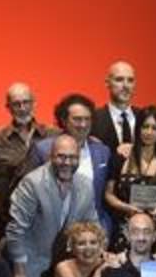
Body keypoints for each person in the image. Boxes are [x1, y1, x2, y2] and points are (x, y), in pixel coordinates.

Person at [7, 134, 99, 277]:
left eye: (73, 158)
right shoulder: (32, 183)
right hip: (31, 266)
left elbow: (92, 226)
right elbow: (16, 231)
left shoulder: (86, 185)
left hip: (67, 267)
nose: (67, 163)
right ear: (50, 156)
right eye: (61, 157)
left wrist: (102, 253)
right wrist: (19, 272)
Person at [25, 94, 113, 240]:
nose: (83, 124)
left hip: (94, 236)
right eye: (77, 119)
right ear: (64, 121)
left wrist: (104, 231)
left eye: (87, 119)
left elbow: (104, 199)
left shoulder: (102, 151)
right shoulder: (43, 149)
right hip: (51, 235)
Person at [0, 83, 57, 215]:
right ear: (8, 108)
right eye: (16, 104)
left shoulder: (54, 135)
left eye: (26, 102)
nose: (22, 108)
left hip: (50, 208)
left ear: (34, 103)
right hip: (12, 211)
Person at [103, 106, 156, 240]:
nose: (149, 132)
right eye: (145, 126)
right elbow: (108, 194)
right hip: (124, 228)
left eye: (154, 128)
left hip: (155, 231)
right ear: (138, 128)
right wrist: (127, 208)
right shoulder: (121, 157)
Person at [90, 61, 137, 155]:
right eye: (119, 79)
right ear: (107, 83)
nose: (126, 85)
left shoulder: (144, 117)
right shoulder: (93, 119)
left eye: (130, 80)